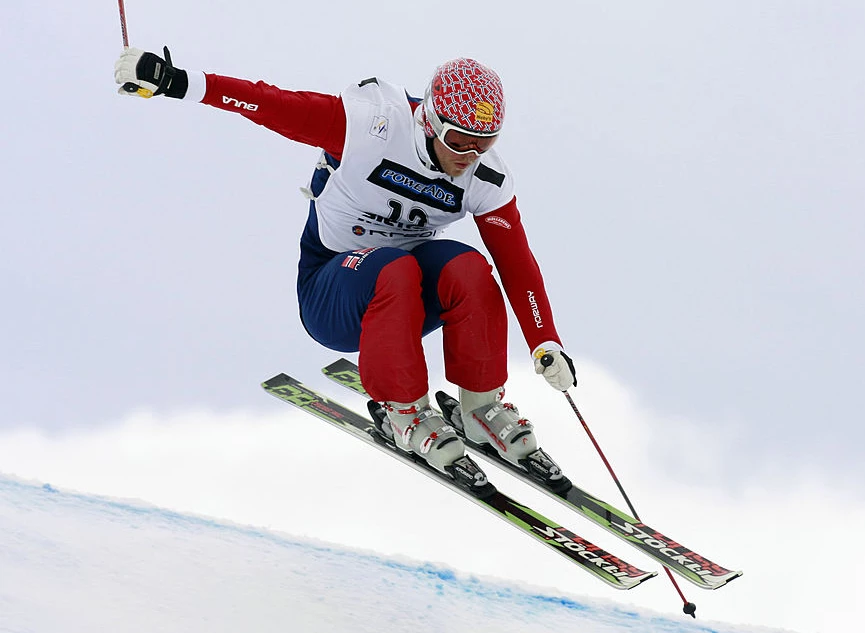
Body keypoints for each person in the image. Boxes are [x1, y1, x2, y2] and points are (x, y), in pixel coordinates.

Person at [114, 47, 577, 480]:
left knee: (470, 269)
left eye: (485, 142)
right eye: (460, 140)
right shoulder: (370, 125)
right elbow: (268, 103)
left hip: (405, 302)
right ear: (430, 123)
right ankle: (405, 412)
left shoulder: (484, 175)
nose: (469, 158)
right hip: (334, 291)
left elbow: (516, 264)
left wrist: (545, 342)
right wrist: (178, 81)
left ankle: (480, 408)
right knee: (395, 269)